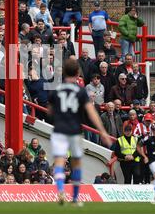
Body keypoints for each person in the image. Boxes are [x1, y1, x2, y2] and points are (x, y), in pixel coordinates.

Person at [48, 59, 112, 205]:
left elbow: (50, 112)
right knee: (76, 163)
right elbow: (91, 113)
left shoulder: (56, 89)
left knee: (59, 161)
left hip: (59, 130)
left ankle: (60, 191)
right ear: (78, 73)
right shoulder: (81, 91)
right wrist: (102, 131)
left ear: (64, 72)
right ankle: (75, 198)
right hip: (74, 130)